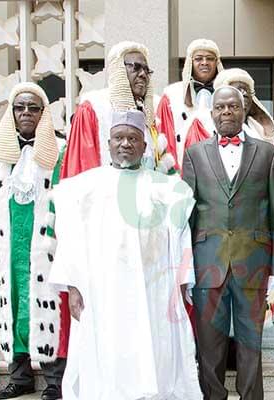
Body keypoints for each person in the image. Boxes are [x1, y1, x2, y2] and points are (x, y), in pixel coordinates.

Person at [49, 110, 201, 400]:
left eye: (133, 138)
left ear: (144, 146)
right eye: (119, 137)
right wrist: (73, 288)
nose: (125, 144)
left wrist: (181, 283)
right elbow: (69, 239)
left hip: (153, 290)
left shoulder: (168, 188)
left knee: (153, 351)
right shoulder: (84, 187)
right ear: (108, 143)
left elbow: (182, 239)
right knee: (106, 354)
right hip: (102, 291)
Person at [183, 86, 274, 400]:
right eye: (220, 107)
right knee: (209, 346)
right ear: (211, 113)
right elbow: (185, 217)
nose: (226, 112)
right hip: (206, 264)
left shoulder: (267, 153)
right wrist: (184, 269)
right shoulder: (194, 153)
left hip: (253, 263)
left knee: (250, 342)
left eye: (233, 106)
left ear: (245, 112)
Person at [0, 83, 66, 400]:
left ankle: (54, 381)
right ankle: (19, 378)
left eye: (33, 107)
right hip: (9, 246)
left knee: (48, 308)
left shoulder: (60, 148)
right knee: (13, 307)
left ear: (44, 112)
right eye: (20, 107)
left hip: (46, 244)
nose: (26, 113)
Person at [65, 41, 174, 176]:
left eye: (146, 70)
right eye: (136, 67)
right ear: (119, 70)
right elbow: (83, 166)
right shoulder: (93, 107)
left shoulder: (153, 110)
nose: (143, 74)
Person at [157, 38, 224, 166]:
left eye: (210, 58)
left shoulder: (228, 94)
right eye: (199, 59)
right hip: (183, 166)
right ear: (190, 62)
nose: (204, 62)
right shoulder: (171, 94)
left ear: (217, 63)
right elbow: (165, 135)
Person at [213, 68, 274, 144]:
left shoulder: (259, 129)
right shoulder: (206, 126)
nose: (244, 95)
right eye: (238, 91)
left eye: (247, 92)